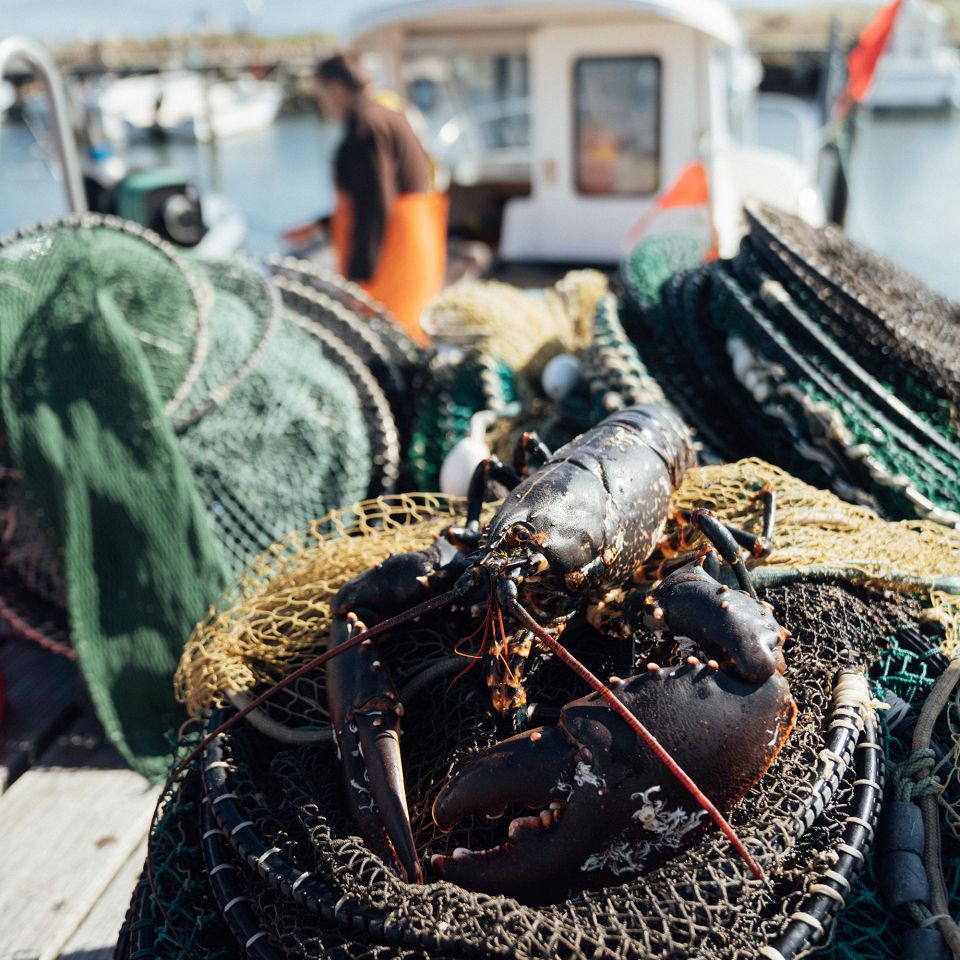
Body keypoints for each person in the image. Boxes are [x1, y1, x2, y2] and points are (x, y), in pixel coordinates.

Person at [282, 53, 447, 345]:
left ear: (336, 89)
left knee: (388, 342)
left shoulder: (365, 126)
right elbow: (377, 194)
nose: (322, 104)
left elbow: (375, 204)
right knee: (409, 336)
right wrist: (323, 225)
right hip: (413, 251)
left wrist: (358, 281)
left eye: (320, 95)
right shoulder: (387, 116)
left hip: (388, 263)